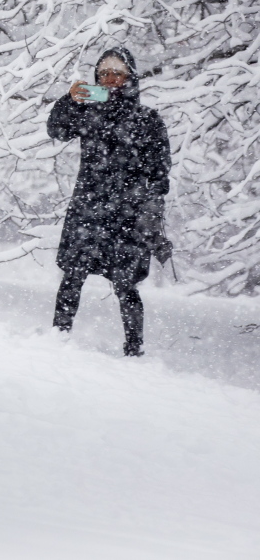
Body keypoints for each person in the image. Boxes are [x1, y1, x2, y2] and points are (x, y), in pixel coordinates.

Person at [47, 47, 172, 357]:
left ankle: (134, 349)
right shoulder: (89, 111)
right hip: (88, 207)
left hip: (128, 213)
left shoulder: (148, 119)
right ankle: (56, 339)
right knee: (73, 275)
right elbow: (56, 129)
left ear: (130, 77)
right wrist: (69, 100)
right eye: (104, 74)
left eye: (117, 73)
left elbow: (159, 171)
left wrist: (153, 211)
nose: (111, 79)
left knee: (126, 284)